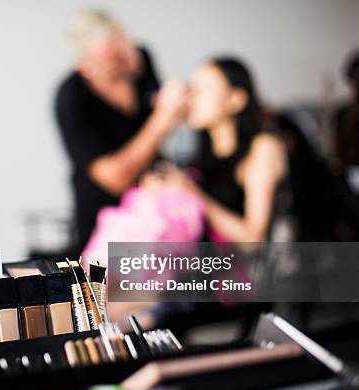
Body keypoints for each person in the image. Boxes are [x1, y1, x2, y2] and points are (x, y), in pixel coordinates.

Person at [55, 9, 186, 251]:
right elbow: (113, 179)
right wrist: (162, 121)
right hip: (105, 222)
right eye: (116, 58)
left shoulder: (141, 60)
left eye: (127, 45)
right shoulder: (71, 98)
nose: (130, 59)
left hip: (156, 211)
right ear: (87, 67)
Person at [144, 57, 287, 242]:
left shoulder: (262, 147)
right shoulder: (201, 148)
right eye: (191, 88)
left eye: (204, 89)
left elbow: (253, 240)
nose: (191, 98)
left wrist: (192, 193)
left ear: (236, 100)